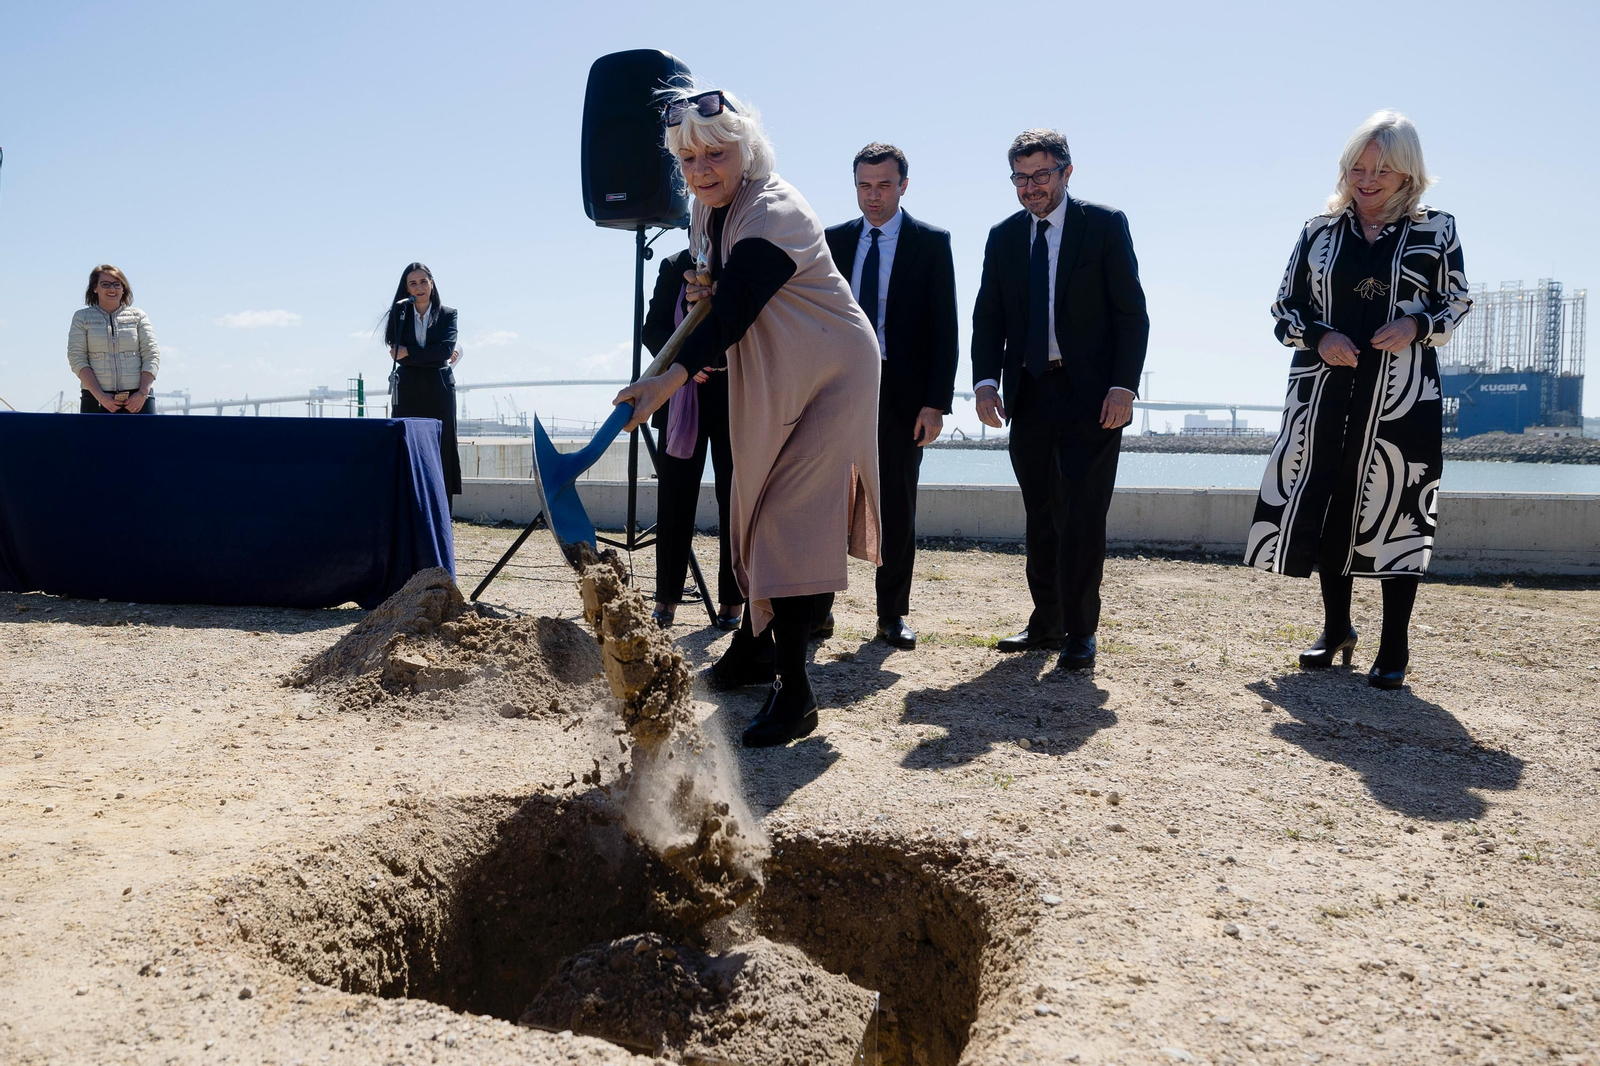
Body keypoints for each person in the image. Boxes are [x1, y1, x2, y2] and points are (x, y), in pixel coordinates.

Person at [614, 87, 881, 748]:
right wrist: (704, 287)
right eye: (688, 159)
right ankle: (755, 650)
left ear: (747, 147)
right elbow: (715, 292)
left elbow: (734, 311)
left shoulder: (775, 210)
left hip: (829, 374)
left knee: (787, 516)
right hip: (773, 371)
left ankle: (796, 694)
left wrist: (669, 379)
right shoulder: (708, 215)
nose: (702, 169)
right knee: (752, 508)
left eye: (715, 152)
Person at [1246, 111, 1470, 689]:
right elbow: (1284, 310)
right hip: (1323, 393)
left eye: (1383, 170)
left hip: (1401, 398)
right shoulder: (1317, 233)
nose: (1367, 180)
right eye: (1358, 167)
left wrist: (1416, 326)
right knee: (1326, 504)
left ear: (1408, 175)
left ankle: (1394, 645)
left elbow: (1457, 303)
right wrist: (1319, 337)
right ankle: (1337, 627)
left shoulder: (1436, 230)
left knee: (1399, 512)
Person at [972, 129, 1149, 672]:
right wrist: (984, 383)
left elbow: (1130, 313)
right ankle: (1045, 621)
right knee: (1040, 514)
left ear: (1066, 173)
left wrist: (1124, 385)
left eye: (1041, 175)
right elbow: (988, 317)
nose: (1031, 188)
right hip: (1029, 393)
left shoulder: (1104, 225)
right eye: (1021, 178)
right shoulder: (1003, 237)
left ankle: (1080, 631)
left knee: (1082, 515)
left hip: (1092, 396)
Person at [820, 142, 958, 651]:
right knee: (826, 503)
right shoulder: (831, 241)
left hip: (902, 398)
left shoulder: (931, 243)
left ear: (903, 185)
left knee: (897, 507)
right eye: (863, 186)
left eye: (883, 185)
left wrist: (936, 403)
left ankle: (891, 615)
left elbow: (946, 330)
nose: (872, 196)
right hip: (836, 392)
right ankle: (817, 612)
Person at [643, 246, 742, 632]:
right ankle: (666, 600)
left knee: (734, 502)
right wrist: (685, 364)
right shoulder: (673, 266)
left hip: (737, 394)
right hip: (681, 395)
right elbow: (652, 329)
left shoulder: (741, 262)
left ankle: (732, 601)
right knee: (673, 502)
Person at [383, 263, 462, 496]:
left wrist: (412, 353)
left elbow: (446, 351)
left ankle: (443, 512)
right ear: (406, 288)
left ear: (432, 283)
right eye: (413, 283)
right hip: (408, 387)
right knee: (407, 444)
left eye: (423, 281)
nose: (419, 287)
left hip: (440, 387)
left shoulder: (448, 314)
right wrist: (429, 354)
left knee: (442, 446)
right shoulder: (399, 313)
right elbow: (397, 355)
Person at [67, 265, 160, 414]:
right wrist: (101, 396)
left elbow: (151, 355)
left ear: (124, 288)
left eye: (117, 284)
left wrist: (142, 394)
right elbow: (77, 358)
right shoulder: (81, 318)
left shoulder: (139, 316)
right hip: (94, 400)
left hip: (139, 400)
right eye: (105, 284)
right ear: (94, 288)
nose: (112, 289)